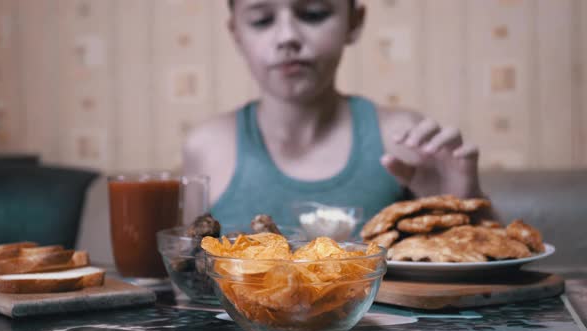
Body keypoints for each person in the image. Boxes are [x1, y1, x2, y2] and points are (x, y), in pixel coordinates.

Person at [183, 0, 486, 228]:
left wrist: (462, 204)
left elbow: (487, 271)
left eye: (314, 13)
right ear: (235, 32)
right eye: (262, 20)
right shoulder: (207, 146)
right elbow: (185, 278)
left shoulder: (404, 138)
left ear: (354, 22)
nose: (287, 36)